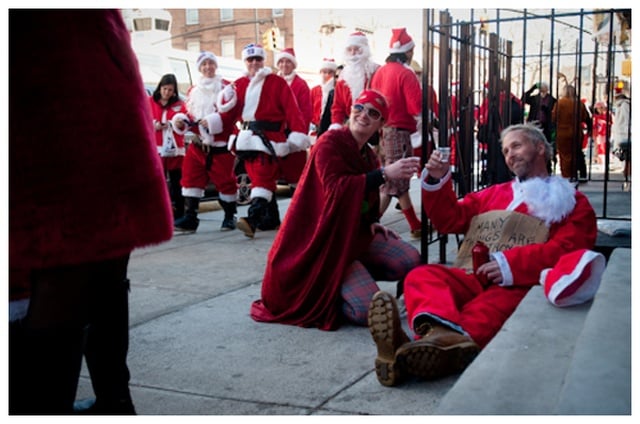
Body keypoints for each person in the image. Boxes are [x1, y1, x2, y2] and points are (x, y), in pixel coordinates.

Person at [9, 9, 174, 414]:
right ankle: (114, 400)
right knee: (101, 268)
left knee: (62, 270)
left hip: (53, 96)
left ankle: (53, 407)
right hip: (102, 88)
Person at [367, 123, 597, 387]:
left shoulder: (572, 202)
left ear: (540, 148)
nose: (510, 154)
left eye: (517, 145)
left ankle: (410, 352)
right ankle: (430, 346)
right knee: (423, 276)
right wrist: (438, 179)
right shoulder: (494, 193)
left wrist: (509, 265)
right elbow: (449, 219)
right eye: (506, 150)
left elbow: (569, 249)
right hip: (471, 275)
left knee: (483, 313)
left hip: (514, 284)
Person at [250, 90, 422, 330]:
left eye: (373, 113)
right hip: (321, 244)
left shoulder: (369, 157)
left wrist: (371, 220)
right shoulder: (328, 143)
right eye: (359, 108)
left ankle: (349, 280)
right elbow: (335, 189)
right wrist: (384, 174)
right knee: (367, 312)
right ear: (350, 111)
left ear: (381, 124)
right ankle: (334, 290)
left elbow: (365, 200)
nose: (363, 116)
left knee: (409, 259)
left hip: (350, 238)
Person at [227, 44, 310, 238]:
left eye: (258, 59)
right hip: (246, 140)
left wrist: (297, 135)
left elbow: (293, 110)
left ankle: (252, 219)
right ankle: (270, 218)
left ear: (264, 61)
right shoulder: (237, 84)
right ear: (245, 62)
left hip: (269, 140)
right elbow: (228, 115)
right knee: (258, 178)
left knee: (263, 178)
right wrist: (231, 135)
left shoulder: (277, 83)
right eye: (250, 59)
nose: (254, 63)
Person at [172, 51, 239, 233]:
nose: (208, 67)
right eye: (204, 64)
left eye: (211, 63)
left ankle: (229, 217)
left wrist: (212, 121)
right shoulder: (194, 90)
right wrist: (181, 121)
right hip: (197, 145)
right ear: (199, 68)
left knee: (225, 182)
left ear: (216, 66)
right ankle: (190, 218)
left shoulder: (226, 88)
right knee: (190, 180)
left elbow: (231, 114)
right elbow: (188, 113)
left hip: (220, 146)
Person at [371, 28, 423, 239]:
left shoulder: (380, 72)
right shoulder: (405, 73)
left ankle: (412, 224)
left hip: (384, 129)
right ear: (408, 51)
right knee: (397, 180)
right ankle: (411, 225)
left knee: (391, 180)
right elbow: (416, 107)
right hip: (399, 130)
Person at [148, 73, 188, 220]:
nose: (167, 93)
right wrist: (154, 124)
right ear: (160, 87)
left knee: (177, 182)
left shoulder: (179, 104)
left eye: (170, 90)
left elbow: (185, 120)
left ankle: (179, 212)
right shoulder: (150, 101)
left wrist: (178, 122)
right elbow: (143, 118)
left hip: (175, 150)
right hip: (156, 148)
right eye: (165, 89)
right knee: (158, 182)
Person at [275, 47, 312, 194]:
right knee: (270, 175)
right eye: (281, 61)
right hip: (275, 134)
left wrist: (298, 135)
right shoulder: (272, 81)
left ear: (293, 64)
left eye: (288, 62)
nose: (284, 65)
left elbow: (306, 112)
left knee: (295, 175)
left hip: (292, 134)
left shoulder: (300, 85)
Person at [329, 31, 380, 131]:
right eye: (349, 50)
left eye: (357, 49)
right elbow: (337, 107)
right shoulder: (343, 76)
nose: (353, 53)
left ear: (365, 50)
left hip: (373, 125)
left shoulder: (376, 71)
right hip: (350, 126)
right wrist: (336, 125)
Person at [551, 85, 591, 181]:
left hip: (562, 132)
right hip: (576, 132)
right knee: (575, 154)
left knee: (564, 155)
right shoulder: (579, 104)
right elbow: (585, 117)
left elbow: (553, 118)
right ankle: (574, 174)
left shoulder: (560, 103)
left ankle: (566, 175)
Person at [310, 58, 338, 138]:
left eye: (330, 72)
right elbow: (309, 108)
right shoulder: (314, 90)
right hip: (316, 127)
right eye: (325, 72)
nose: (327, 75)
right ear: (320, 73)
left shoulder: (337, 91)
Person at [612, 88, 631, 191]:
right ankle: (627, 181)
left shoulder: (624, 105)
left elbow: (626, 121)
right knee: (625, 159)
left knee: (627, 159)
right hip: (622, 135)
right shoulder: (622, 105)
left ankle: (627, 182)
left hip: (625, 136)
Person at [592, 101, 613, 165]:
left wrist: (604, 123)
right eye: (598, 108)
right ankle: (598, 159)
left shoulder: (608, 115)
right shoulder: (595, 116)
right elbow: (593, 126)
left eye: (601, 108)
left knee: (604, 146)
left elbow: (612, 123)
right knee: (597, 147)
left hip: (605, 134)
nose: (599, 109)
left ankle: (605, 159)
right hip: (597, 134)